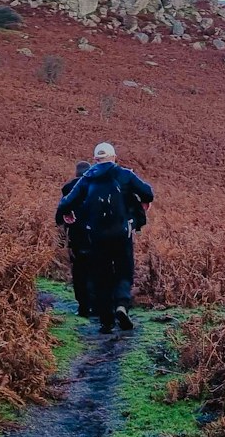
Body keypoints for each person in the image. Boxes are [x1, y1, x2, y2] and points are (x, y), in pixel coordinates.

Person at [55, 142, 154, 334]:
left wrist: (67, 214)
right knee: (124, 271)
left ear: (95, 160)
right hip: (121, 234)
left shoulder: (87, 179)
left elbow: (66, 203)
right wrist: (143, 203)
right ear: (114, 157)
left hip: (96, 236)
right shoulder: (124, 174)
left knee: (101, 276)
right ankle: (121, 306)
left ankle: (106, 321)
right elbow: (148, 192)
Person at [61, 161, 93, 317]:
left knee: (79, 271)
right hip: (96, 234)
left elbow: (62, 211)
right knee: (97, 269)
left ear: (76, 173)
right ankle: (98, 305)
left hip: (76, 236)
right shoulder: (96, 187)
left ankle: (83, 306)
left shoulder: (68, 188)